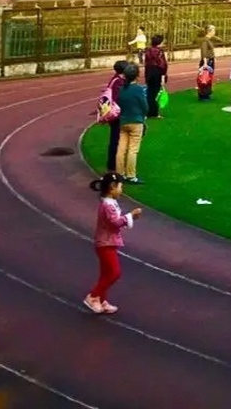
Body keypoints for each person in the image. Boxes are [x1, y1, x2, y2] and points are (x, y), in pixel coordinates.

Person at [84, 173, 143, 314]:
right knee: (114, 273)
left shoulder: (110, 203)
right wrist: (131, 216)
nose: (121, 190)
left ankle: (102, 300)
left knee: (105, 273)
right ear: (112, 187)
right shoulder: (107, 205)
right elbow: (114, 222)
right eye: (120, 187)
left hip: (107, 242)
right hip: (105, 243)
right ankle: (93, 296)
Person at [115, 64, 148, 183]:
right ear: (137, 75)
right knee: (133, 149)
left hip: (123, 121)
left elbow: (119, 104)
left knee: (121, 148)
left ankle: (119, 173)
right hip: (136, 121)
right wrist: (145, 114)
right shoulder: (138, 89)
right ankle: (131, 175)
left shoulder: (121, 89)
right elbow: (144, 105)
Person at [102, 60, 128, 170]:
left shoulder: (117, 80)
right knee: (115, 139)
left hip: (115, 113)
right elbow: (118, 98)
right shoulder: (118, 82)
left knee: (116, 138)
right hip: (116, 114)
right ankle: (112, 164)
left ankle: (114, 163)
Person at [143, 35, 169, 118]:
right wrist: (163, 76)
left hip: (149, 72)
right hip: (157, 72)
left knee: (149, 92)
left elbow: (146, 63)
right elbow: (162, 65)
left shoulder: (148, 51)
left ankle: (148, 112)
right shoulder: (159, 51)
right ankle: (154, 112)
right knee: (156, 93)